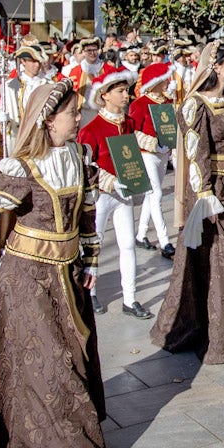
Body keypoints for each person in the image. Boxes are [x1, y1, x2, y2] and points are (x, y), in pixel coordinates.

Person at [0, 79, 113, 448]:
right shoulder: (22, 167)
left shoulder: (81, 157)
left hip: (68, 272)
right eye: (72, 114)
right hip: (27, 275)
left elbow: (87, 215)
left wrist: (92, 261)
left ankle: (50, 438)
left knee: (68, 354)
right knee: (52, 359)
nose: (79, 119)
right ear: (47, 121)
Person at [150, 43, 224, 364]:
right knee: (219, 256)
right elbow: (196, 153)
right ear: (216, 67)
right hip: (210, 192)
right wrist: (204, 195)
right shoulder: (196, 105)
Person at [77, 70, 152, 318]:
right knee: (94, 244)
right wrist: (109, 182)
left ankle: (129, 299)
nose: (126, 96)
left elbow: (135, 144)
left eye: (126, 91)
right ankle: (91, 293)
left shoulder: (128, 122)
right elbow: (88, 168)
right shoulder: (91, 129)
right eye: (120, 91)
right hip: (100, 196)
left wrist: (155, 145)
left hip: (125, 194)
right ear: (105, 95)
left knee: (128, 245)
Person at [129, 61, 177, 259]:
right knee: (156, 194)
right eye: (164, 79)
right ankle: (164, 240)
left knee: (151, 195)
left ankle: (141, 234)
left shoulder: (166, 103)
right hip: (147, 154)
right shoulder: (139, 104)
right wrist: (152, 144)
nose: (168, 82)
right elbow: (133, 131)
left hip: (163, 154)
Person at [66, 37, 116, 125]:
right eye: (89, 50)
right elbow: (72, 94)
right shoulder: (76, 71)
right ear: (83, 52)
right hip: (85, 112)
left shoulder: (109, 69)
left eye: (95, 50)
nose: (92, 53)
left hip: (105, 111)